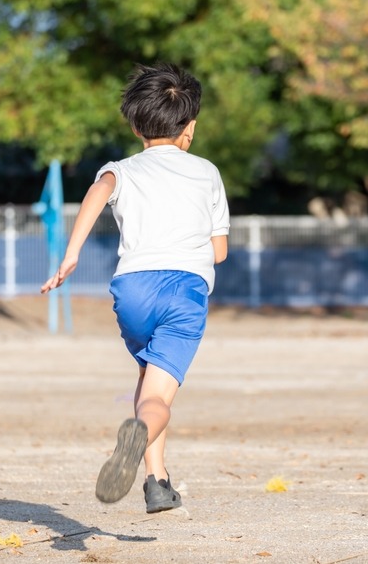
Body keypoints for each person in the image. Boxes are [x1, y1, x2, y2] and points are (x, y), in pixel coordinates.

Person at [40, 62, 229, 513]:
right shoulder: (206, 173)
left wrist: (71, 255)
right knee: (157, 400)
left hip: (132, 290)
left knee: (147, 377)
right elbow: (219, 252)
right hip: (184, 293)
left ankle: (157, 481)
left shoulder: (121, 169)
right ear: (191, 127)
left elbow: (98, 191)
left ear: (134, 124)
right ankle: (141, 433)